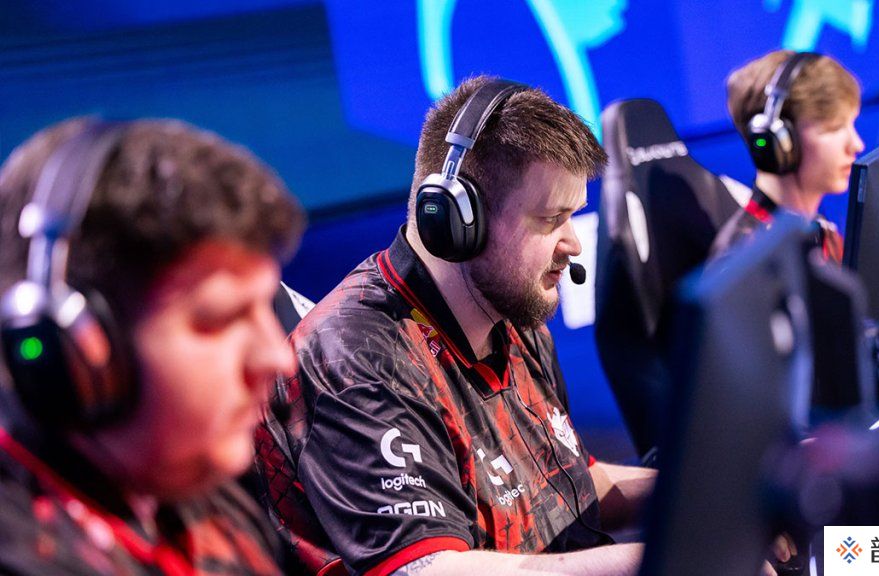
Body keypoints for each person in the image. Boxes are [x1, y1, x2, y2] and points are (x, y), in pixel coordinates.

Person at [253, 76, 659, 576]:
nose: (573, 243)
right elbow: (427, 569)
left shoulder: (513, 316)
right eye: (552, 218)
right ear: (456, 220)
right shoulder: (359, 360)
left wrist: (705, 493)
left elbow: (567, 486)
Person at [0, 117, 305, 574]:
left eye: (265, 307)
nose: (278, 358)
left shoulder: (200, 500)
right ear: (69, 349)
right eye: (219, 319)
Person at [710, 50, 865, 263]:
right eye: (834, 128)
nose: (857, 145)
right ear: (780, 140)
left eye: (851, 124)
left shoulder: (825, 237)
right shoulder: (743, 261)